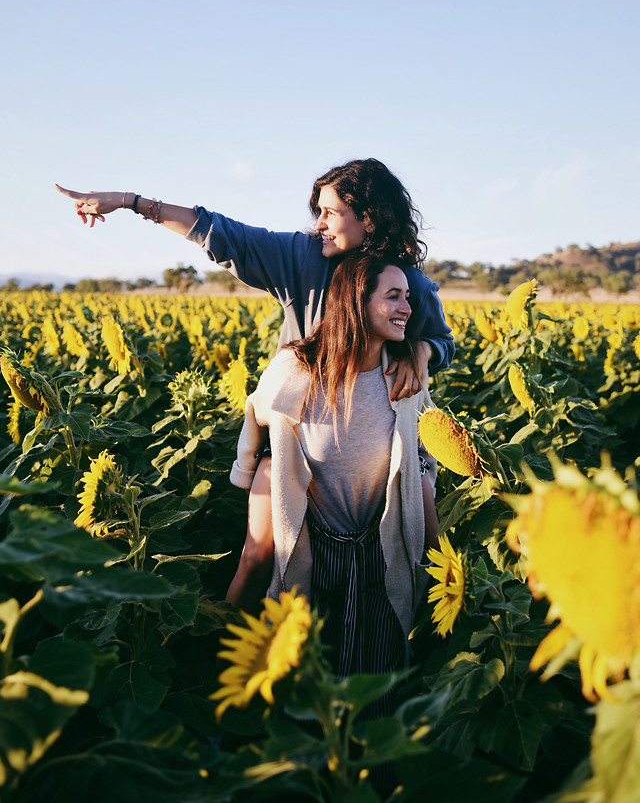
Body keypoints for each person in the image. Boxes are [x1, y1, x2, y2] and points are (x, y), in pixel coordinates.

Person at [56, 159, 452, 609]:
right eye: (318, 212)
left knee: (393, 558)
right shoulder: (303, 258)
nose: (319, 224)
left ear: (370, 217)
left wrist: (423, 351)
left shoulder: (408, 284)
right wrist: (130, 202)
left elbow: (443, 341)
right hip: (298, 439)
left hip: (372, 447)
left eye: (331, 212)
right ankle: (223, 639)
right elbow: (222, 233)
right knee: (264, 556)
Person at [229, 252, 438, 686]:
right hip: (313, 546)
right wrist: (252, 472)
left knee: (377, 688)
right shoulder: (298, 369)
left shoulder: (404, 377)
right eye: (393, 296)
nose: (407, 307)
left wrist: (425, 490)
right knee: (301, 678)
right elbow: (257, 412)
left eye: (408, 297)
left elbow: (426, 446)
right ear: (357, 301)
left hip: (379, 552)